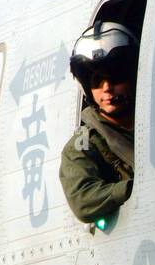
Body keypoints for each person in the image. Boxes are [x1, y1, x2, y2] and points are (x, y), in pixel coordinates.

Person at [59, 22, 137, 225]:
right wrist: (134, 187)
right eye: (97, 82)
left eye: (115, 78)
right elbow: (83, 200)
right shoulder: (82, 145)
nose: (107, 88)